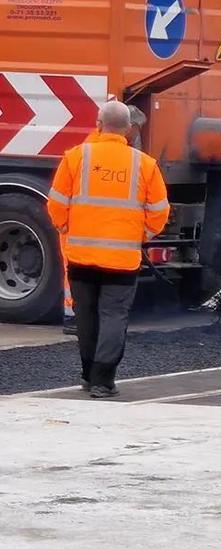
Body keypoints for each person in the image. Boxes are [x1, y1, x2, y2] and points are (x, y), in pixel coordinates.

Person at [46, 100, 170, 397]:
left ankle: (88, 375)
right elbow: (159, 212)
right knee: (114, 316)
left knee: (86, 317)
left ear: (98, 124)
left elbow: (56, 203)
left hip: (81, 257)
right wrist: (140, 236)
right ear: (128, 130)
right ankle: (103, 381)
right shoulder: (144, 164)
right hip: (122, 259)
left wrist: (66, 227)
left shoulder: (75, 157)